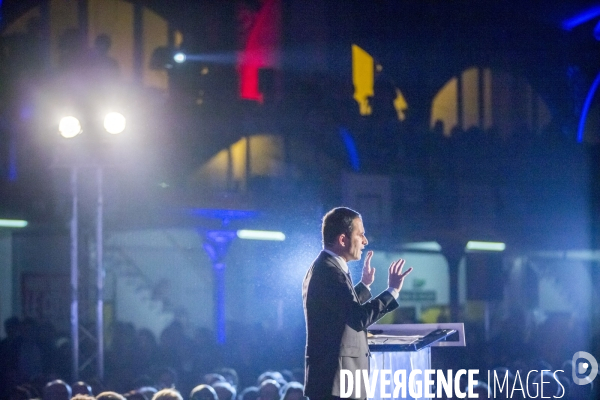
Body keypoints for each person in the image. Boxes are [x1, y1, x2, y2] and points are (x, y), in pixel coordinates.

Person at [302, 207, 413, 400]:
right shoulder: (331, 271)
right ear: (342, 239)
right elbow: (357, 318)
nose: (365, 241)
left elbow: (340, 310)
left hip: (334, 381)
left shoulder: (327, 267)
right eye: (360, 234)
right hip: (336, 382)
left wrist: (364, 286)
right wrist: (392, 291)